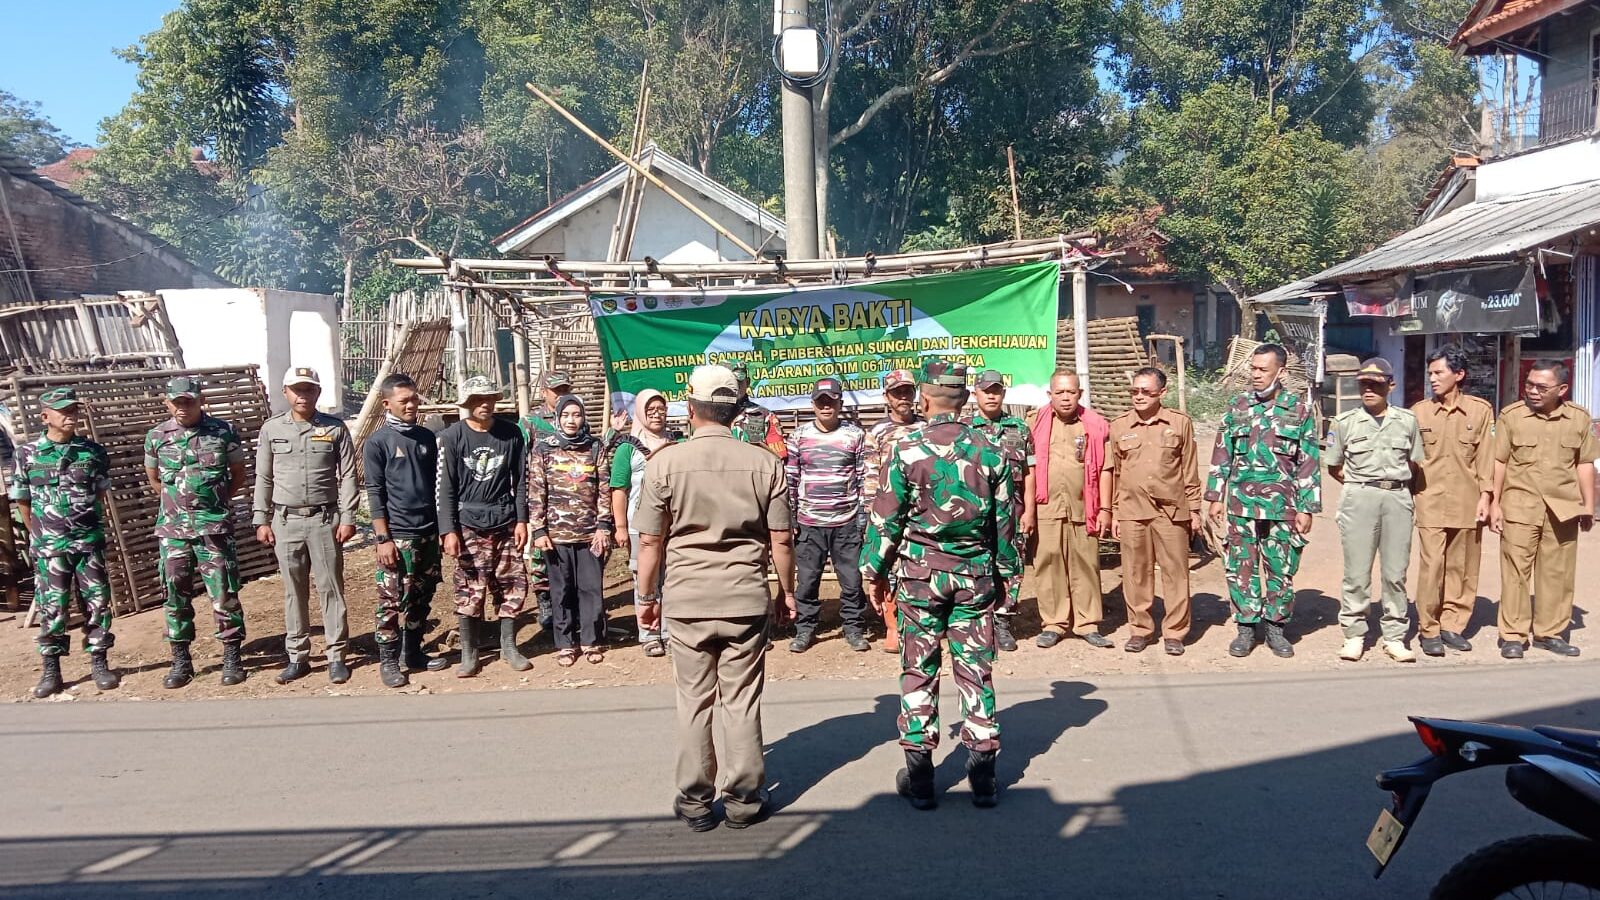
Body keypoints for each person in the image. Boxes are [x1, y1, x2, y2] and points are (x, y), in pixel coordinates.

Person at [634, 364, 796, 832]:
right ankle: (744, 802)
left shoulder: (665, 462)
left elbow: (650, 543)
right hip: (745, 596)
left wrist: (646, 596)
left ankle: (695, 801)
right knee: (742, 700)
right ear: (736, 408)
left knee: (693, 700)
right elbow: (781, 541)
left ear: (690, 406)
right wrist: (786, 592)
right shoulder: (766, 462)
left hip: (686, 599)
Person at [863, 360, 1016, 811]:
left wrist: (873, 572)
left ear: (924, 400)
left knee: (918, 668)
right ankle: (983, 774)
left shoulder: (906, 448)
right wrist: (1008, 576)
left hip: (919, 579)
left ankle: (920, 774)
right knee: (975, 669)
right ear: (966, 399)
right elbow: (1004, 524)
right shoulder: (991, 450)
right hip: (974, 577)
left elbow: (885, 521)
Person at [1205, 344, 1320, 659]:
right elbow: (1221, 453)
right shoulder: (1237, 406)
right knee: (1240, 565)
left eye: (1261, 369)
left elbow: (1308, 461)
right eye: (1253, 368)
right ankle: (1246, 626)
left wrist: (1307, 506)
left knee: (1280, 568)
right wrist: (1215, 496)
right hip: (1241, 503)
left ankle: (1275, 627)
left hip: (1283, 507)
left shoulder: (1299, 410)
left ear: (1280, 371)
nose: (1254, 374)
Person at [254, 367, 360, 685]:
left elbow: (349, 476)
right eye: (297, 389)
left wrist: (349, 516)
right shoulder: (272, 430)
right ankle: (298, 656)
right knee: (293, 592)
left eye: (309, 389)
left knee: (331, 589)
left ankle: (336, 656)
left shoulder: (334, 429)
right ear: (285, 392)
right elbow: (264, 476)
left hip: (324, 520)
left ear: (318, 392)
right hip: (285, 522)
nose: (303, 395)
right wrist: (261, 518)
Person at [9, 387, 117, 697]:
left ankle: (99, 663)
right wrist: (43, 534)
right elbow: (23, 503)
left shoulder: (92, 451)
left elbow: (99, 493)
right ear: (45, 417)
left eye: (73, 410)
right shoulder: (27, 454)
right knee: (52, 608)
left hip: (88, 544)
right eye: (62, 410)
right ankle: (51, 670)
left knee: (97, 604)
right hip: (50, 548)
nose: (70, 415)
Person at [145, 375, 248, 689]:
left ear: (200, 400)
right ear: (168, 403)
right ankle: (181, 660)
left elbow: (238, 474)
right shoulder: (156, 436)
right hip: (173, 532)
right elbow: (154, 480)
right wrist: (179, 507)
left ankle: (232, 657)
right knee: (174, 594)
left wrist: (212, 504)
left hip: (213, 528)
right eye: (176, 402)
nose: (182, 407)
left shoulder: (222, 432)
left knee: (224, 593)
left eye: (188, 401)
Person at [1490, 360, 1597, 659]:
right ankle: (1513, 635)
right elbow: (1500, 462)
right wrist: (1494, 503)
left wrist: (1588, 505)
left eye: (1541, 387)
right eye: (1529, 384)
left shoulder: (1578, 419)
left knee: (1557, 573)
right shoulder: (1512, 416)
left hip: (1562, 508)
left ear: (1562, 389)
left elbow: (1584, 463)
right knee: (1515, 573)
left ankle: (1550, 633)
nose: (1533, 391)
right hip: (1520, 505)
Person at [1326, 358, 1424, 663]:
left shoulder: (1407, 421)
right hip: (1360, 497)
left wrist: (1391, 485)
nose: (1369, 390)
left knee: (1396, 572)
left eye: (1376, 385)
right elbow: (1334, 465)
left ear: (1390, 386)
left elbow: (1414, 462)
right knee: (1356, 572)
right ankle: (1354, 634)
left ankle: (1394, 635)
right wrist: (1361, 485)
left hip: (1396, 497)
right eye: (1364, 385)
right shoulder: (1344, 423)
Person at [437, 376, 530, 676]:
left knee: (513, 583)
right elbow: (445, 487)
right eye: (478, 399)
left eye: (489, 398)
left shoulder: (511, 433)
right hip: (468, 524)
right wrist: (448, 530)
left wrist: (522, 520)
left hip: (504, 520)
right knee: (469, 588)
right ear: (467, 403)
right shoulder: (452, 437)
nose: (485, 404)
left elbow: (521, 482)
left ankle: (508, 647)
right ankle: (470, 653)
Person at [1105, 367, 1202, 655]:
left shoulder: (1179, 423)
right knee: (1136, 573)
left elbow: (1189, 469)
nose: (1139, 396)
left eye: (1146, 391)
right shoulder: (1119, 426)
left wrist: (1195, 509)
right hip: (1133, 510)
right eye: (1134, 391)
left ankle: (1174, 632)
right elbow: (1117, 473)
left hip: (1171, 511)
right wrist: (1114, 511)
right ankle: (1141, 629)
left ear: (1162, 392)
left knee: (1176, 572)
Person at [363, 372, 450, 688]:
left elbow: (438, 487)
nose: (412, 405)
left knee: (422, 595)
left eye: (415, 398)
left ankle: (412, 652)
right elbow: (374, 492)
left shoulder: (427, 438)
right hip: (397, 537)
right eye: (405, 401)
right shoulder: (378, 443)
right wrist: (382, 538)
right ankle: (388, 661)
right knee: (390, 601)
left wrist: (442, 531)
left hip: (427, 533)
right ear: (387, 404)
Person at [1410, 347, 1494, 656]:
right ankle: (1428, 628)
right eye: (1430, 373)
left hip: (1468, 500)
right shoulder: (1419, 412)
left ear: (1458, 375)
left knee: (1463, 567)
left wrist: (1487, 497)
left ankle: (1453, 625)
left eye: (1438, 373)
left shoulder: (1481, 411)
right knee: (1432, 566)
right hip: (1429, 498)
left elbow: (1485, 458)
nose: (1432, 378)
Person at [785, 376, 870, 653]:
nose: (826, 406)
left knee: (852, 580)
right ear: (813, 404)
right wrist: (791, 518)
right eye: (821, 401)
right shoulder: (799, 436)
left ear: (839, 403)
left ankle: (854, 628)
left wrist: (861, 519)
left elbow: (862, 478)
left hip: (846, 521)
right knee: (808, 580)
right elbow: (791, 480)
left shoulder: (855, 435)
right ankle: (805, 629)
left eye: (831, 401)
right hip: (809, 523)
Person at [1029, 371, 1112, 649]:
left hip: (1083, 505)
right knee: (1048, 562)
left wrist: (1105, 509)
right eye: (1060, 392)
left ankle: (1088, 623)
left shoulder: (1096, 425)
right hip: (1047, 506)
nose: (1066, 397)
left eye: (1071, 392)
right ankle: (1054, 623)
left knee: (1086, 563)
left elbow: (1105, 469)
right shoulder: (1035, 424)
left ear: (1080, 394)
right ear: (1050, 395)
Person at [530, 395, 614, 666]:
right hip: (556, 535)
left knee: (591, 589)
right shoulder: (544, 449)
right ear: (557, 418)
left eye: (576, 415)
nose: (571, 420)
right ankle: (565, 644)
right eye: (566, 415)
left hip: (590, 533)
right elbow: (536, 492)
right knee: (561, 590)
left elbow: (604, 489)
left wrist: (604, 525)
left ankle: (591, 641)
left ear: (583, 418)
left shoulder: (594, 447)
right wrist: (539, 530)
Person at [609, 389, 682, 657]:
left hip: (673, 525)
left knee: (673, 577)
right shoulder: (627, 447)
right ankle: (649, 633)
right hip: (639, 525)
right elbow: (619, 489)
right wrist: (619, 527)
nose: (656, 414)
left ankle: (670, 632)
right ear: (640, 412)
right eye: (650, 410)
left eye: (661, 409)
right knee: (645, 578)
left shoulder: (677, 442)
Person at [968, 369, 1036, 652]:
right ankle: (977, 622)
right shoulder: (966, 429)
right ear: (976, 394)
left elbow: (1030, 471)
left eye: (997, 390)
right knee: (976, 564)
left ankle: (1003, 621)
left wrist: (1029, 510)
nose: (992, 395)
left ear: (1004, 393)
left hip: (1013, 509)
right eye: (987, 390)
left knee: (1010, 566)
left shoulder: (1019, 428)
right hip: (976, 510)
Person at [861, 369, 925, 651]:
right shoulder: (876, 432)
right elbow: (870, 475)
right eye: (897, 392)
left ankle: (920, 625)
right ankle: (893, 626)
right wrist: (873, 513)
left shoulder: (927, 428)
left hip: (921, 511)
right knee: (886, 566)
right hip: (888, 510)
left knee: (918, 566)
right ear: (886, 397)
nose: (903, 397)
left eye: (907, 392)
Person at [520, 371, 573, 633]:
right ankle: (545, 604)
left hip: (571, 501)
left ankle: (568, 602)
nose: (561, 395)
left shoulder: (574, 417)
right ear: (544, 393)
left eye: (565, 390)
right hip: (540, 498)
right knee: (541, 552)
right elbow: (518, 460)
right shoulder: (531, 422)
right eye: (556, 391)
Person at [729, 363, 787, 457]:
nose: (735, 386)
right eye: (730, 382)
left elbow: (778, 457)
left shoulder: (765, 415)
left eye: (739, 382)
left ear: (747, 382)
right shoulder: (710, 415)